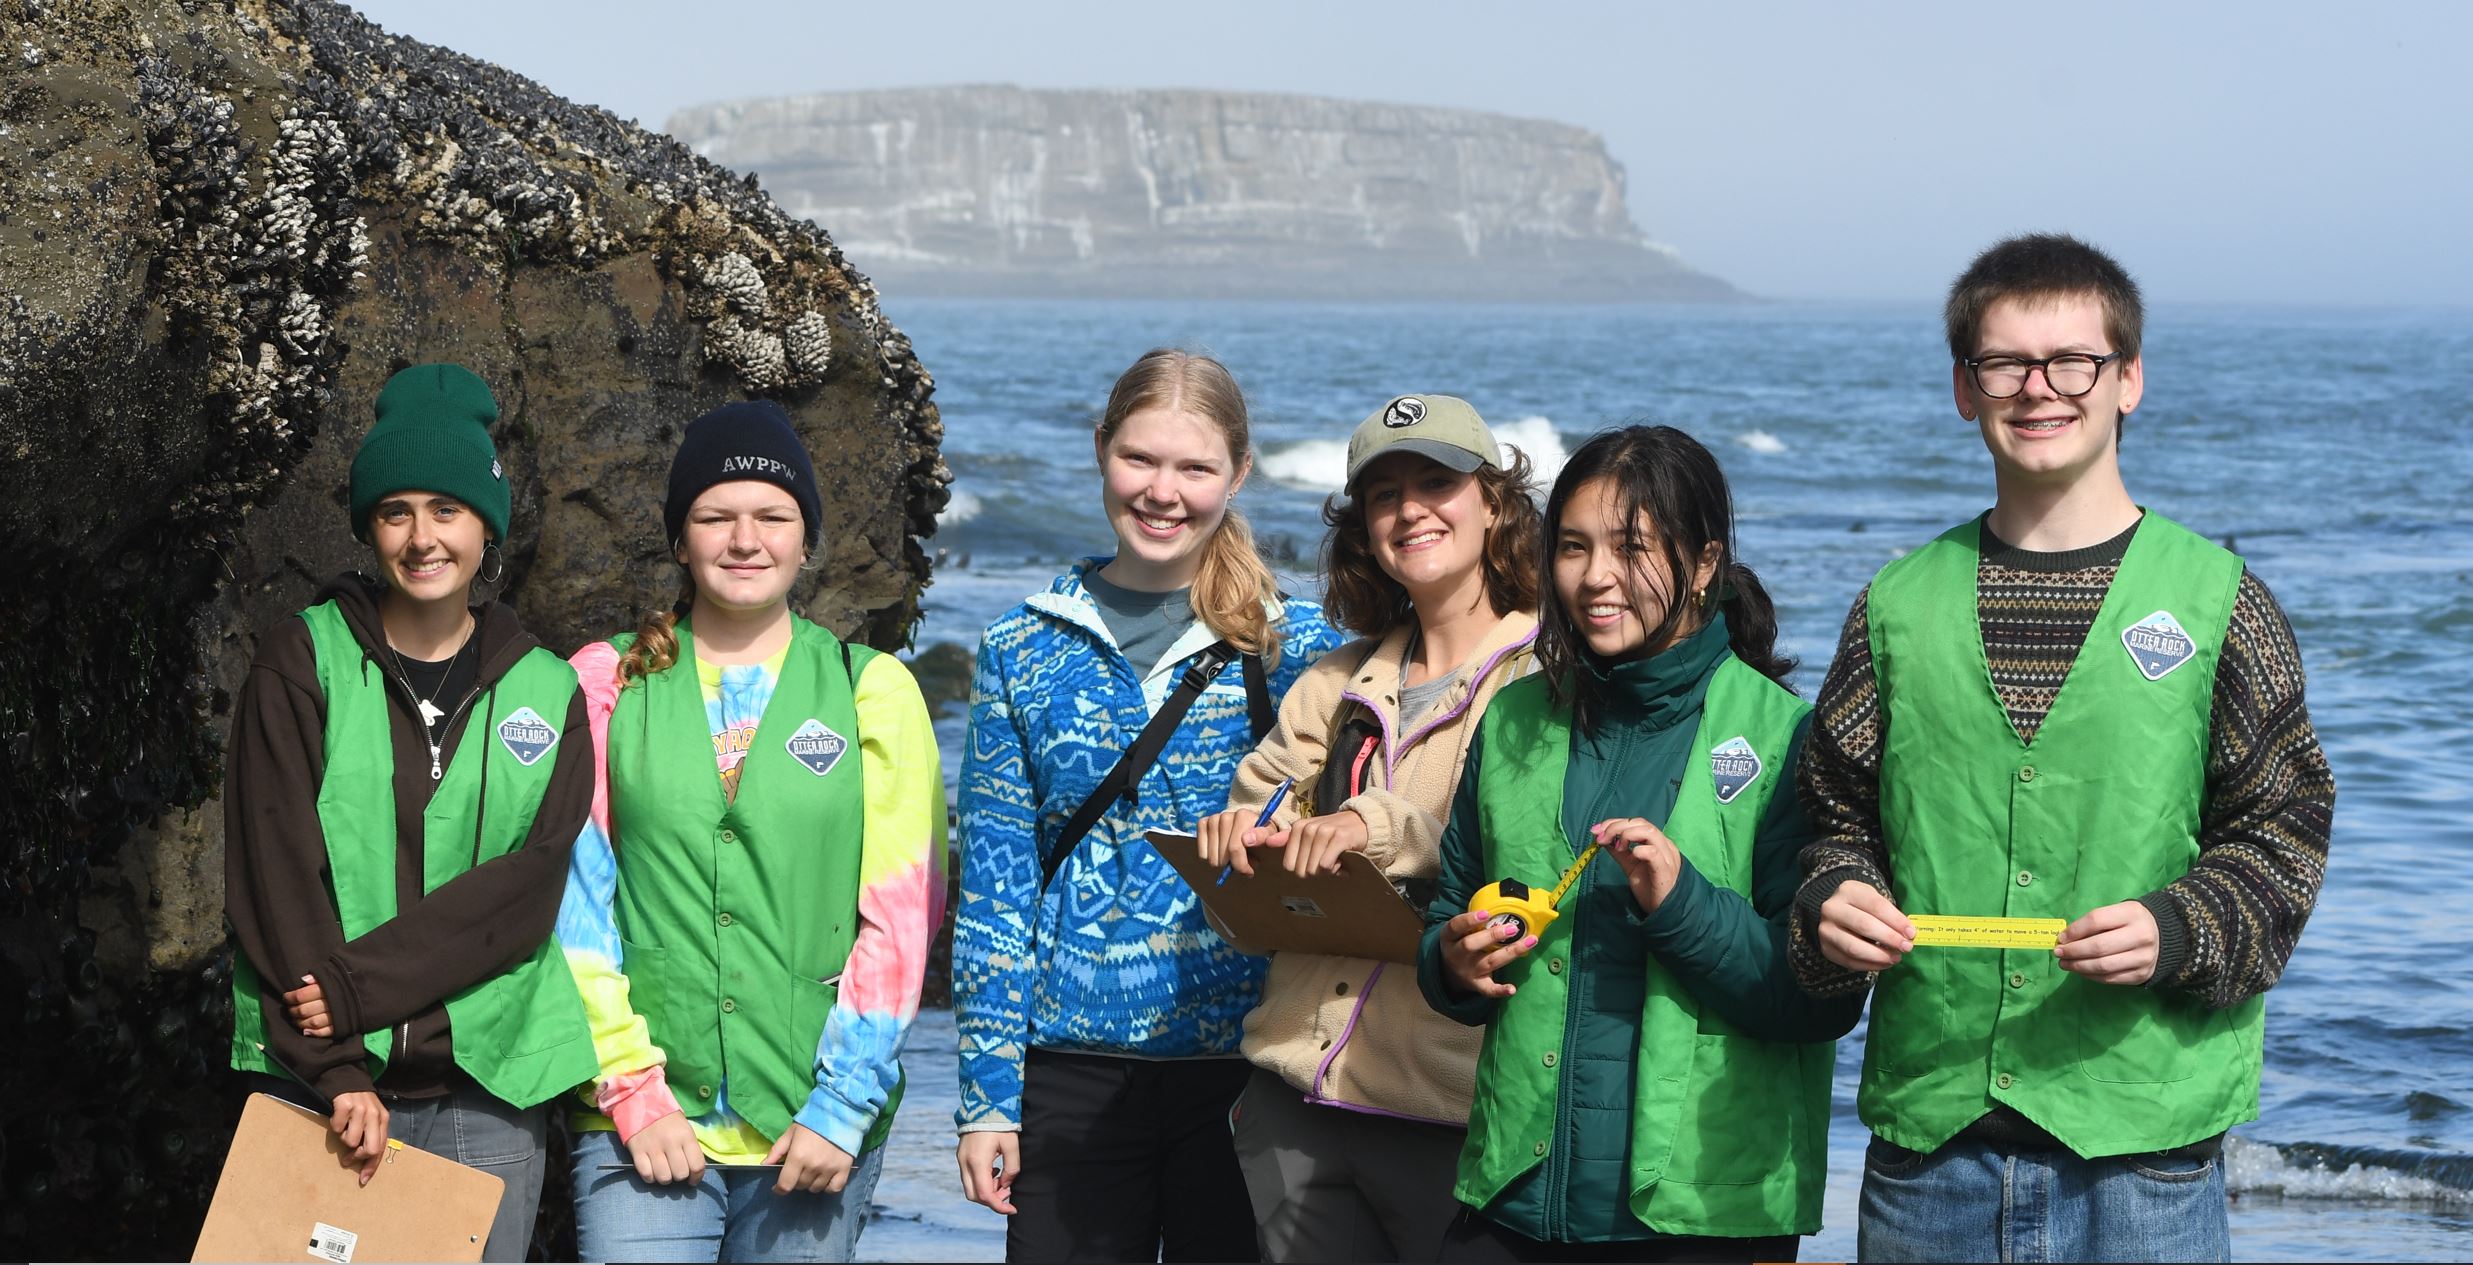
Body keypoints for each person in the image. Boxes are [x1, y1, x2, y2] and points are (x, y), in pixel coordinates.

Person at [1791, 233, 2337, 1263]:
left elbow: (2286, 831)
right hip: (1929, 1159)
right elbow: (1827, 817)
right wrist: (1835, 895)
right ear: (1965, 388)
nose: (2039, 387)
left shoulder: (2222, 601)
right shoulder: (1892, 606)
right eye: (2005, 363)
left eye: (2072, 361)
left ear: (2127, 378)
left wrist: (2178, 926)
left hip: (2144, 1164)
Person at [1419, 424, 1861, 1263]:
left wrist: (1681, 903)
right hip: (1514, 1195)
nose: (1595, 576)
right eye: (1572, 546)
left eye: (1631, 548)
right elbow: (1449, 911)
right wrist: (1452, 961)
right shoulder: (1511, 719)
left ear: (1703, 563)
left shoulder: (1785, 738)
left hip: (1705, 1215)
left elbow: (1823, 1000)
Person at [953, 349, 1344, 1262]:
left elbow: (1352, 850)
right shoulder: (1021, 644)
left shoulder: (1297, 648)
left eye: (1194, 468)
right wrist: (985, 1099)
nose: (1162, 492)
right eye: (1139, 458)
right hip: (1068, 1076)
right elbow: (996, 891)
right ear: (1100, 449)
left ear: (1237, 474)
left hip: (1250, 1071)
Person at [556, 400, 945, 1263]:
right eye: (714, 516)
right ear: (678, 539)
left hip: (811, 1124)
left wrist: (842, 1106)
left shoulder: (870, 690)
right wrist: (630, 1088)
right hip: (641, 1123)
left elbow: (901, 918)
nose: (744, 539)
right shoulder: (603, 682)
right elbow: (574, 908)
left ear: (806, 540)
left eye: (772, 516)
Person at [224, 363, 596, 1262]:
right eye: (396, 511)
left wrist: (358, 990)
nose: (423, 537)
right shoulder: (299, 661)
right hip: (320, 1078)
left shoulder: (549, 690)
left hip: (487, 1088)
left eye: (447, 509)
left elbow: (525, 892)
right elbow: (275, 871)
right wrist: (339, 1066)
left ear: (485, 526)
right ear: (368, 526)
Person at [1193, 394, 1543, 1262]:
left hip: (1452, 1112)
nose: (1410, 509)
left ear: (1494, 501)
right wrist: (1238, 849)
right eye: (1384, 494)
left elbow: (1524, 854)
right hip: (1293, 1101)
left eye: (1436, 482)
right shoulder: (1332, 680)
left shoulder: (1546, 676)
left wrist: (1369, 825)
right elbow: (1251, 859)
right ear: (1362, 527)